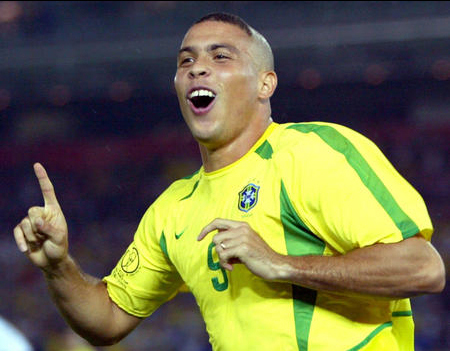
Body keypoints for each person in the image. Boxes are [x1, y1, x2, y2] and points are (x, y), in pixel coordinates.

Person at [13, 12, 445, 351]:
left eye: (221, 57)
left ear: (265, 83)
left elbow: (423, 268)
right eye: (187, 61)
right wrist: (58, 267)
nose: (198, 68)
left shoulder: (314, 152)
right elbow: (106, 321)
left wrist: (281, 264)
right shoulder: (173, 209)